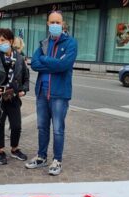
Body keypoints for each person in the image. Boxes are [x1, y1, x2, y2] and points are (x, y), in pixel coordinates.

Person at [26, 11, 77, 176]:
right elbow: (34, 64)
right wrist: (54, 63)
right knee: (42, 127)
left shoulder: (70, 43)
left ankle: (57, 160)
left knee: (57, 129)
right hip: (42, 92)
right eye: (52, 22)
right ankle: (41, 157)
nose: (55, 25)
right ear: (48, 23)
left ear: (63, 24)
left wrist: (45, 60)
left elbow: (64, 66)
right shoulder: (43, 43)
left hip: (59, 94)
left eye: (58, 22)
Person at [0, 28, 29, 165]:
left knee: (16, 126)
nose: (1, 43)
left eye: (3, 40)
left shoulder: (20, 58)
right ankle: (1, 151)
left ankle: (14, 149)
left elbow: (26, 78)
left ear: (11, 41)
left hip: (13, 97)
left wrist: (24, 90)